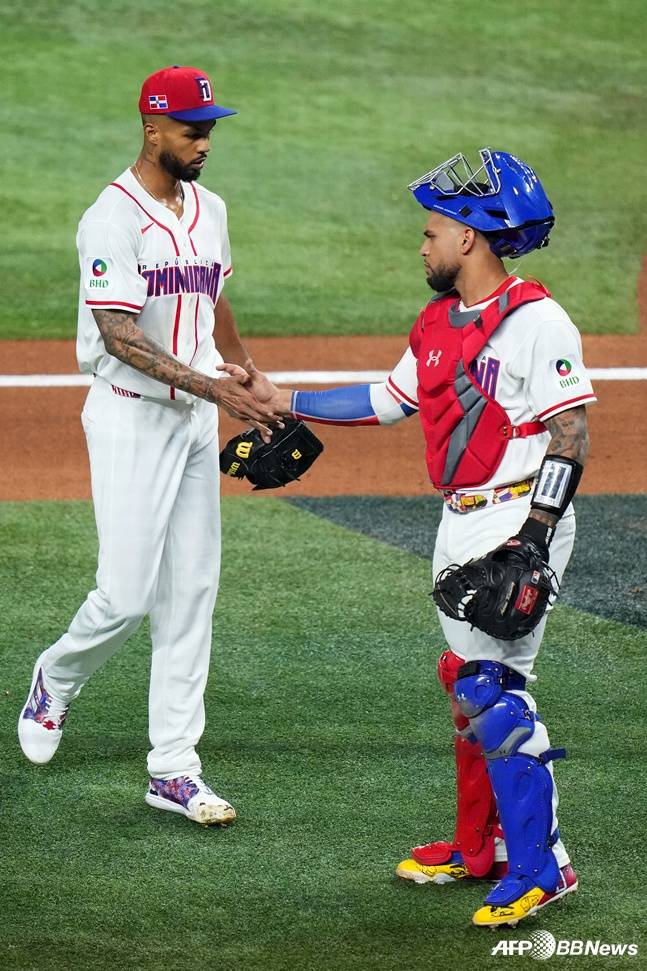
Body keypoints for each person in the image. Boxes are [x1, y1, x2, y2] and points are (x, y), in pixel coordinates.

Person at [239, 149, 596, 926]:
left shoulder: (536, 319)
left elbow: (570, 434)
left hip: (515, 516)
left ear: (469, 237)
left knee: (492, 695)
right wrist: (282, 395)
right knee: (463, 681)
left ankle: (545, 865)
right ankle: (479, 848)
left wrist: (533, 537)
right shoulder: (436, 322)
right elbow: (390, 397)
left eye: (432, 229)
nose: (422, 242)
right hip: (458, 515)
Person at [18, 65, 281, 827]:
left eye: (210, 127)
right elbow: (119, 336)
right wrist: (214, 390)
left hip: (196, 416)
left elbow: (213, 294)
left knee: (191, 592)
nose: (204, 141)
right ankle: (56, 678)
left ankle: (173, 767)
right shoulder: (111, 218)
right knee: (126, 595)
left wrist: (246, 374)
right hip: (132, 416)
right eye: (191, 128)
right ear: (152, 129)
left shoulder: (209, 207)